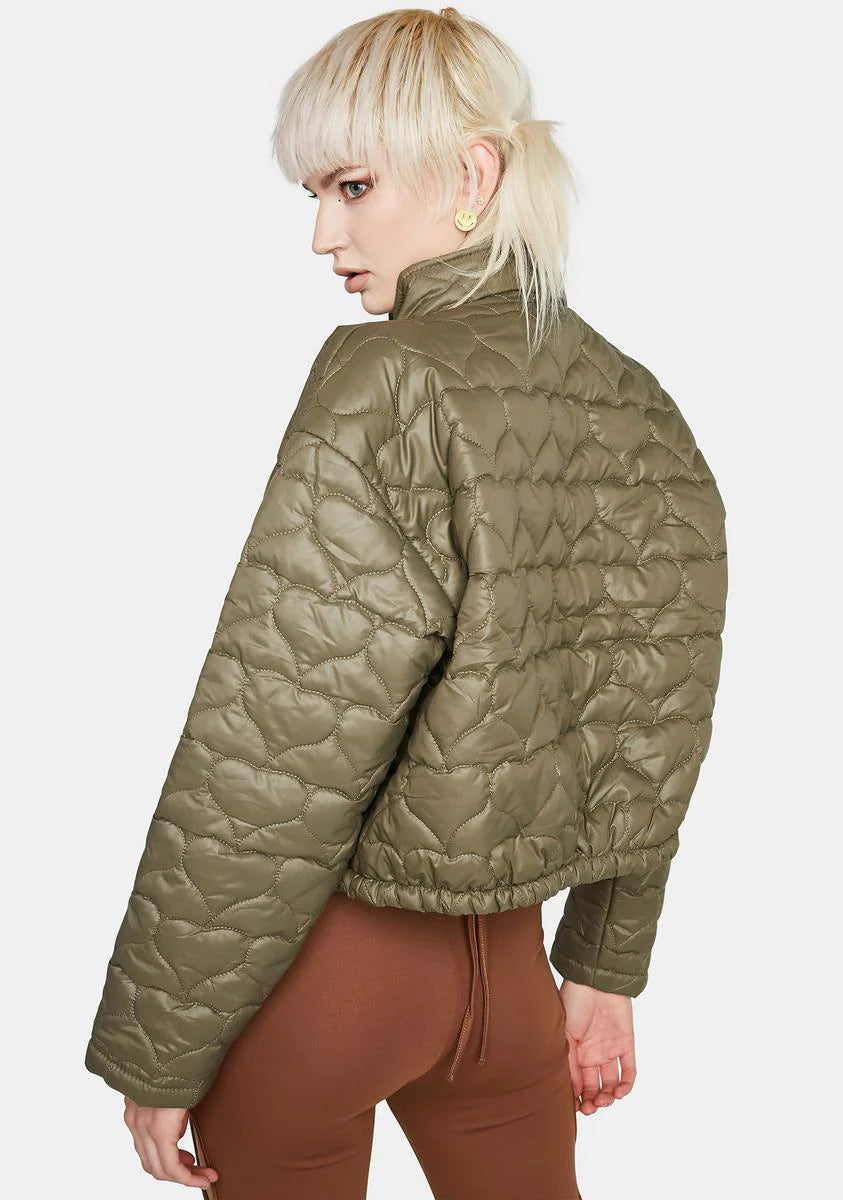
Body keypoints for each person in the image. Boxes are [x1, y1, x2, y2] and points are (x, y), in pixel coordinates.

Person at [84, 8, 728, 1199]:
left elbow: (274, 743)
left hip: (333, 986)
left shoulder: (388, 379)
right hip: (514, 989)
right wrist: (604, 962)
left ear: (473, 175)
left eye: (353, 185)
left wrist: (157, 1048)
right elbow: (657, 711)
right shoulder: (634, 401)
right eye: (314, 193)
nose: (322, 234)